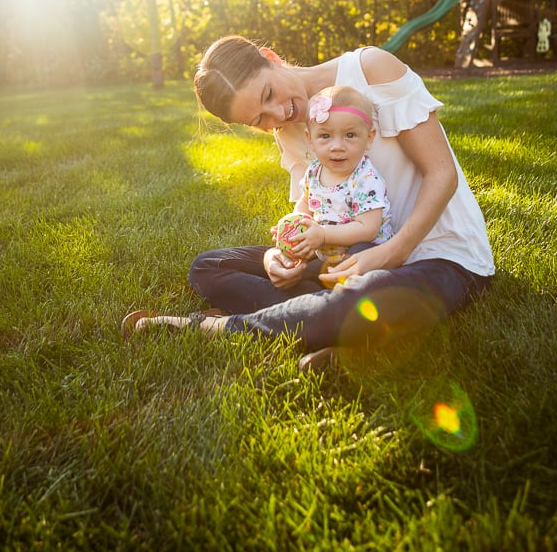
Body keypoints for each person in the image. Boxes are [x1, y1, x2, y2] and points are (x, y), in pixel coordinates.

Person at [122, 36, 495, 370]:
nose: (278, 115)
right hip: (344, 256)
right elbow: (312, 212)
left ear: (270, 56)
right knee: (209, 267)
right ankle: (328, 323)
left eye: (269, 95)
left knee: (363, 297)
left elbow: (442, 173)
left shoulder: (371, 69)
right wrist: (282, 258)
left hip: (440, 256)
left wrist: (390, 255)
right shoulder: (286, 129)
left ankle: (213, 326)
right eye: (259, 120)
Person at [275, 84, 393, 266]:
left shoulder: (365, 178)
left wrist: (322, 234)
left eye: (350, 135)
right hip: (327, 253)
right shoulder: (314, 171)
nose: (337, 146)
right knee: (299, 268)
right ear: (310, 139)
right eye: (325, 136)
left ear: (369, 138)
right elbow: (306, 202)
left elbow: (368, 229)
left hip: (366, 252)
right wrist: (296, 224)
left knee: (360, 252)